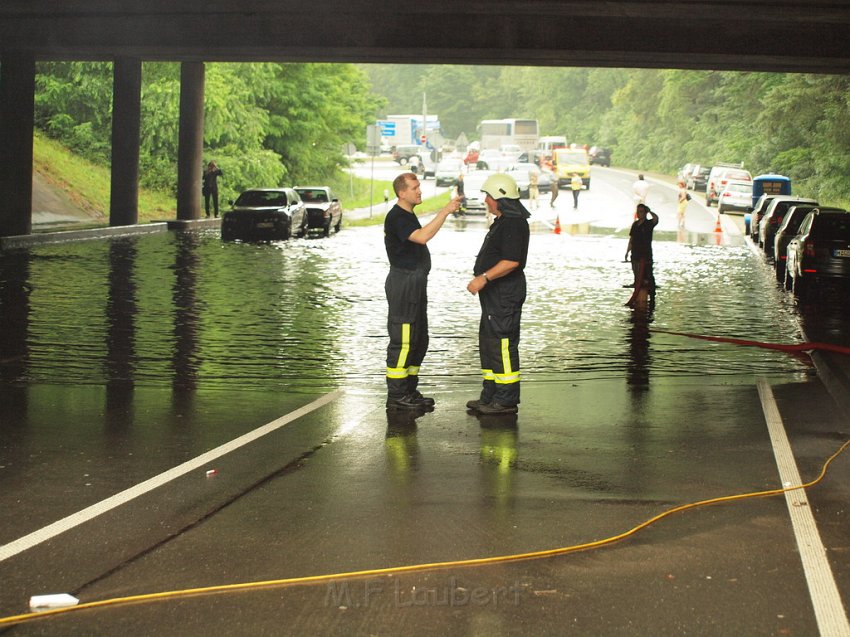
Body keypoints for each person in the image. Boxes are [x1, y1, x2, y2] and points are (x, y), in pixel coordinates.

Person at [384, 172, 462, 410]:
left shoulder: (408, 214)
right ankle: (397, 395)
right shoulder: (397, 217)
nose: (420, 191)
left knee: (419, 339)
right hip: (403, 283)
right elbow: (422, 237)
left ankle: (409, 389)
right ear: (402, 192)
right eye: (415, 187)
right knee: (404, 339)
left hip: (415, 283)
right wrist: (445, 211)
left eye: (419, 187)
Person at [465, 173, 531, 416]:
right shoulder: (504, 221)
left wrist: (484, 278)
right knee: (490, 343)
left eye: (488, 196)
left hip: (504, 293)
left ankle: (505, 399)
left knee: (502, 343)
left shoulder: (514, 223)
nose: (485, 201)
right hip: (495, 295)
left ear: (500, 198)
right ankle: (491, 394)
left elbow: (512, 261)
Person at [624, 203, 659, 306]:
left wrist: (650, 211)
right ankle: (637, 286)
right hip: (635, 254)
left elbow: (656, 219)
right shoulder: (635, 225)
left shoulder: (649, 224)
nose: (639, 214)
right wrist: (627, 251)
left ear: (645, 213)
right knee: (636, 272)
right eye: (638, 211)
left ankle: (651, 298)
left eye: (641, 212)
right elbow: (632, 239)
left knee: (648, 274)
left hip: (646, 254)